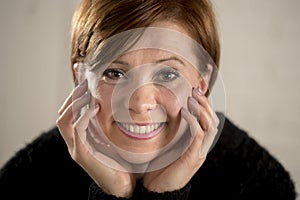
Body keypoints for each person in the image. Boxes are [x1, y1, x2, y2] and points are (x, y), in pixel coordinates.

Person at [0, 0, 297, 199]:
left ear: (202, 81)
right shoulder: (27, 179)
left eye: (168, 75)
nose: (140, 103)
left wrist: (166, 192)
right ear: (80, 78)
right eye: (114, 73)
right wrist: (113, 191)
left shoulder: (257, 181)